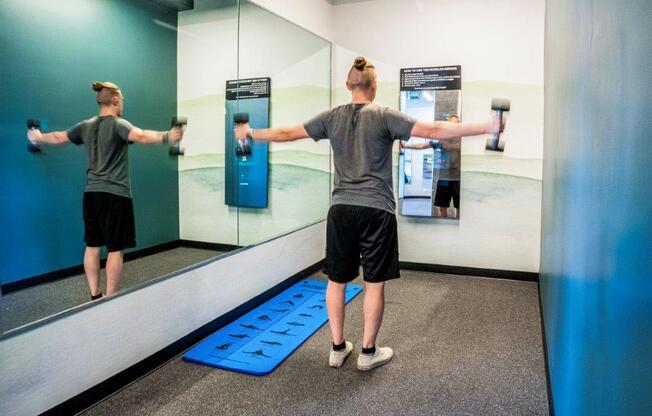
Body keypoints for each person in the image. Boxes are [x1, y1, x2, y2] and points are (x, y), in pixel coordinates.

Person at [235, 57, 504, 371]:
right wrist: (488, 126)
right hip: (377, 210)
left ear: (348, 85)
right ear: (374, 87)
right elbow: (434, 130)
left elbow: (285, 133)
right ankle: (367, 353)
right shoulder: (385, 115)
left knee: (336, 281)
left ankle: (337, 349)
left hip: (340, 210)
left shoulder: (331, 117)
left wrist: (249, 132)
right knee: (374, 284)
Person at [26, 81, 184, 299]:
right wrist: (168, 136)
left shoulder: (86, 125)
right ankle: (110, 299)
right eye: (123, 100)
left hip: (91, 195)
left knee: (92, 246)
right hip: (115, 195)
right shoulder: (119, 124)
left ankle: (95, 296)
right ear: (117, 100)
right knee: (114, 249)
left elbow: (59, 137)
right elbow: (141, 136)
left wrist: (38, 136)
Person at [401, 114, 461, 217]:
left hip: (458, 179)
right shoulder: (440, 139)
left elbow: (461, 148)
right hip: (444, 179)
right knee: (442, 208)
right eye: (450, 124)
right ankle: (443, 228)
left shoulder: (462, 139)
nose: (453, 127)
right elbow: (423, 145)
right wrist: (406, 146)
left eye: (455, 124)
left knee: (459, 208)